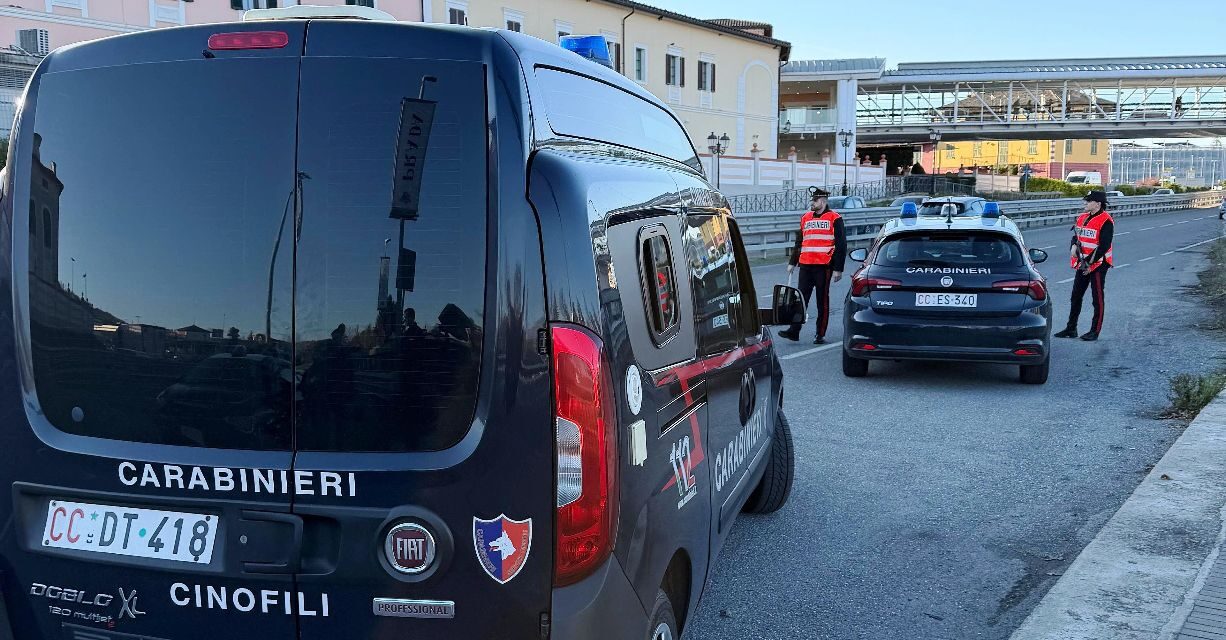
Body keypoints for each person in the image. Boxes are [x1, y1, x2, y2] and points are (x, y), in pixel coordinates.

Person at [782, 187, 847, 344]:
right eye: (812, 200)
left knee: (821, 302)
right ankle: (794, 331)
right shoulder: (806, 218)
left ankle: (820, 334)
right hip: (805, 265)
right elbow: (799, 242)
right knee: (800, 300)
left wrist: (838, 269)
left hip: (823, 266)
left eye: (815, 200)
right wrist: (792, 262)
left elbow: (841, 245)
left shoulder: (835, 218)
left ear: (823, 202)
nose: (812, 203)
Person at [1055, 191, 1114, 341]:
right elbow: (1076, 236)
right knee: (1076, 296)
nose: (1085, 204)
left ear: (1098, 204)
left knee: (1097, 299)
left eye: (1088, 201)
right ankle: (1071, 328)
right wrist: (1073, 246)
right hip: (1083, 264)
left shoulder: (1106, 220)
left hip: (1099, 264)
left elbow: (1104, 246)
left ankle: (1094, 331)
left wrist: (1089, 264)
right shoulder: (1082, 217)